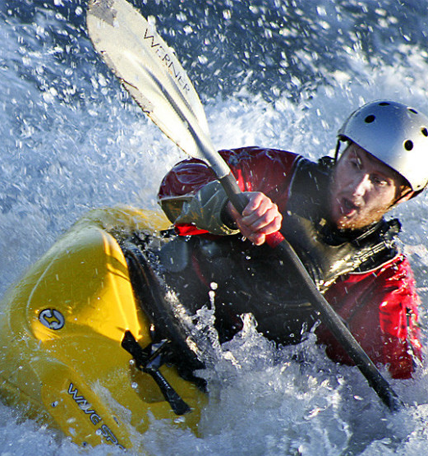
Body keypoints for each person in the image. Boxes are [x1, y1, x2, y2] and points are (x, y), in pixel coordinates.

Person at [153, 100, 426, 379]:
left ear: (403, 195)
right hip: (162, 295)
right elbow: (178, 182)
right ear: (341, 153)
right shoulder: (281, 173)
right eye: (354, 164)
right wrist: (228, 205)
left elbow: (398, 379)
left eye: (379, 181)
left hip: (223, 372)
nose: (356, 188)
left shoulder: (385, 279)